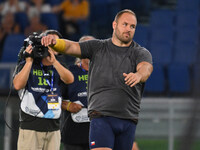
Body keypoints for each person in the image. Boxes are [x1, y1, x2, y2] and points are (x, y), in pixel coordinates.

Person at [41, 9, 153, 150]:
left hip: (128, 120)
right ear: (114, 25)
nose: (129, 29)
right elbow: (71, 46)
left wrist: (138, 75)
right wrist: (55, 43)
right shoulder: (97, 47)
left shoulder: (140, 52)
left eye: (133, 26)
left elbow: (146, 68)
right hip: (101, 118)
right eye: (125, 24)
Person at [13, 30, 74, 150]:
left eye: (54, 43)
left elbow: (69, 79)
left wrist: (55, 62)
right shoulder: (28, 63)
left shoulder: (59, 65)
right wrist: (29, 61)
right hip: (31, 125)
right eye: (48, 42)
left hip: (54, 127)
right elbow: (17, 85)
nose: (51, 46)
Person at [61, 35, 95, 150]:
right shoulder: (69, 72)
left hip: (99, 134)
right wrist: (68, 105)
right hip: (73, 136)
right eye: (88, 47)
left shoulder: (105, 73)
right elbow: (53, 98)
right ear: (79, 51)